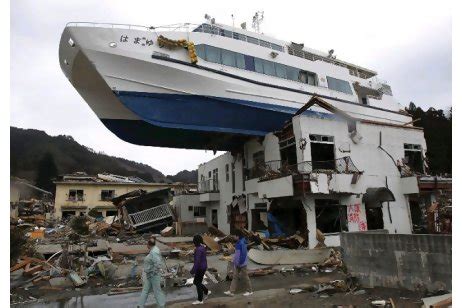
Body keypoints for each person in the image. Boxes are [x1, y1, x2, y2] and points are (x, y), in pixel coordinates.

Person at [137, 237, 165, 308]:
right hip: (150, 275)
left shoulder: (154, 252)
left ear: (149, 244)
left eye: (147, 244)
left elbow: (158, 264)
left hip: (154, 275)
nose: (146, 245)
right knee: (145, 290)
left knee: (157, 291)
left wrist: (153, 272)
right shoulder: (154, 250)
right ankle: (140, 305)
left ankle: (161, 306)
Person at [224, 230, 253, 297]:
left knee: (245, 277)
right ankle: (231, 291)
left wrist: (239, 263)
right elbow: (237, 254)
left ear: (237, 236)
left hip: (242, 263)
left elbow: (243, 254)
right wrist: (235, 261)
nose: (233, 237)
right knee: (235, 277)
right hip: (238, 263)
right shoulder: (238, 242)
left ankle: (250, 291)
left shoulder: (241, 243)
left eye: (234, 236)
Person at [190, 234, 210, 305]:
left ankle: (200, 299)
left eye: (194, 241)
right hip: (203, 267)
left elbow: (197, 262)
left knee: (197, 282)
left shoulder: (198, 249)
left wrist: (193, 270)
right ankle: (206, 291)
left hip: (200, 268)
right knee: (197, 282)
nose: (193, 242)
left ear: (195, 242)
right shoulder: (201, 247)